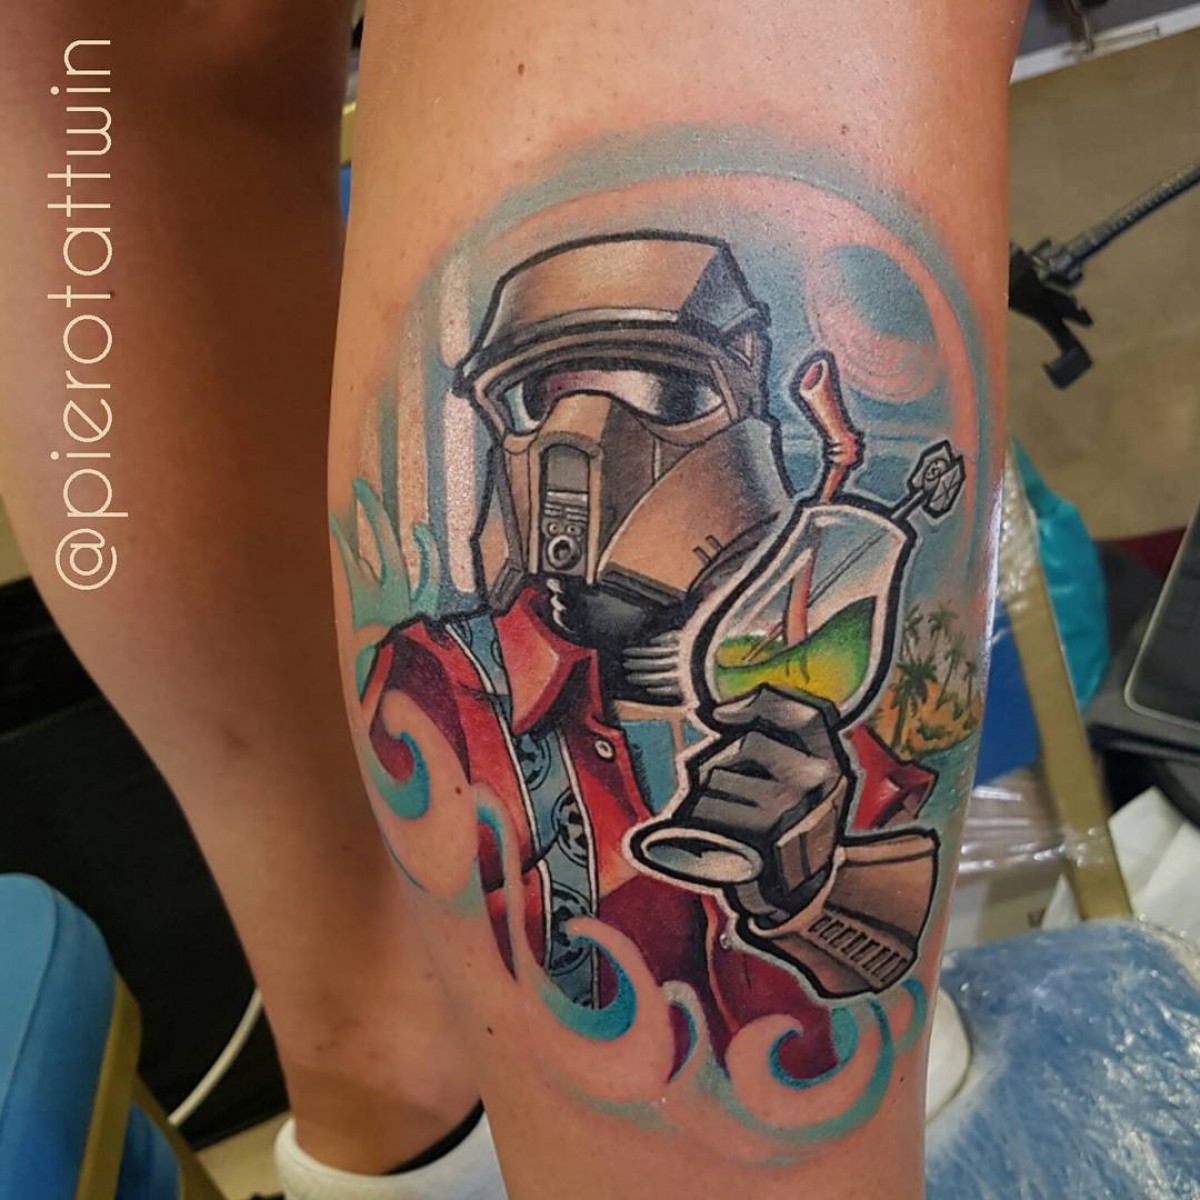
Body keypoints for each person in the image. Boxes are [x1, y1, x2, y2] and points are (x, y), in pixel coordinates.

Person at [0, 4, 1026, 1199]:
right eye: (538, 404)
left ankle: (386, 1117)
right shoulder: (453, 687)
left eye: (656, 389)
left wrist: (800, 887)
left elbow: (871, 890)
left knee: (121, 60)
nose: (584, 450)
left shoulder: (777, 639)